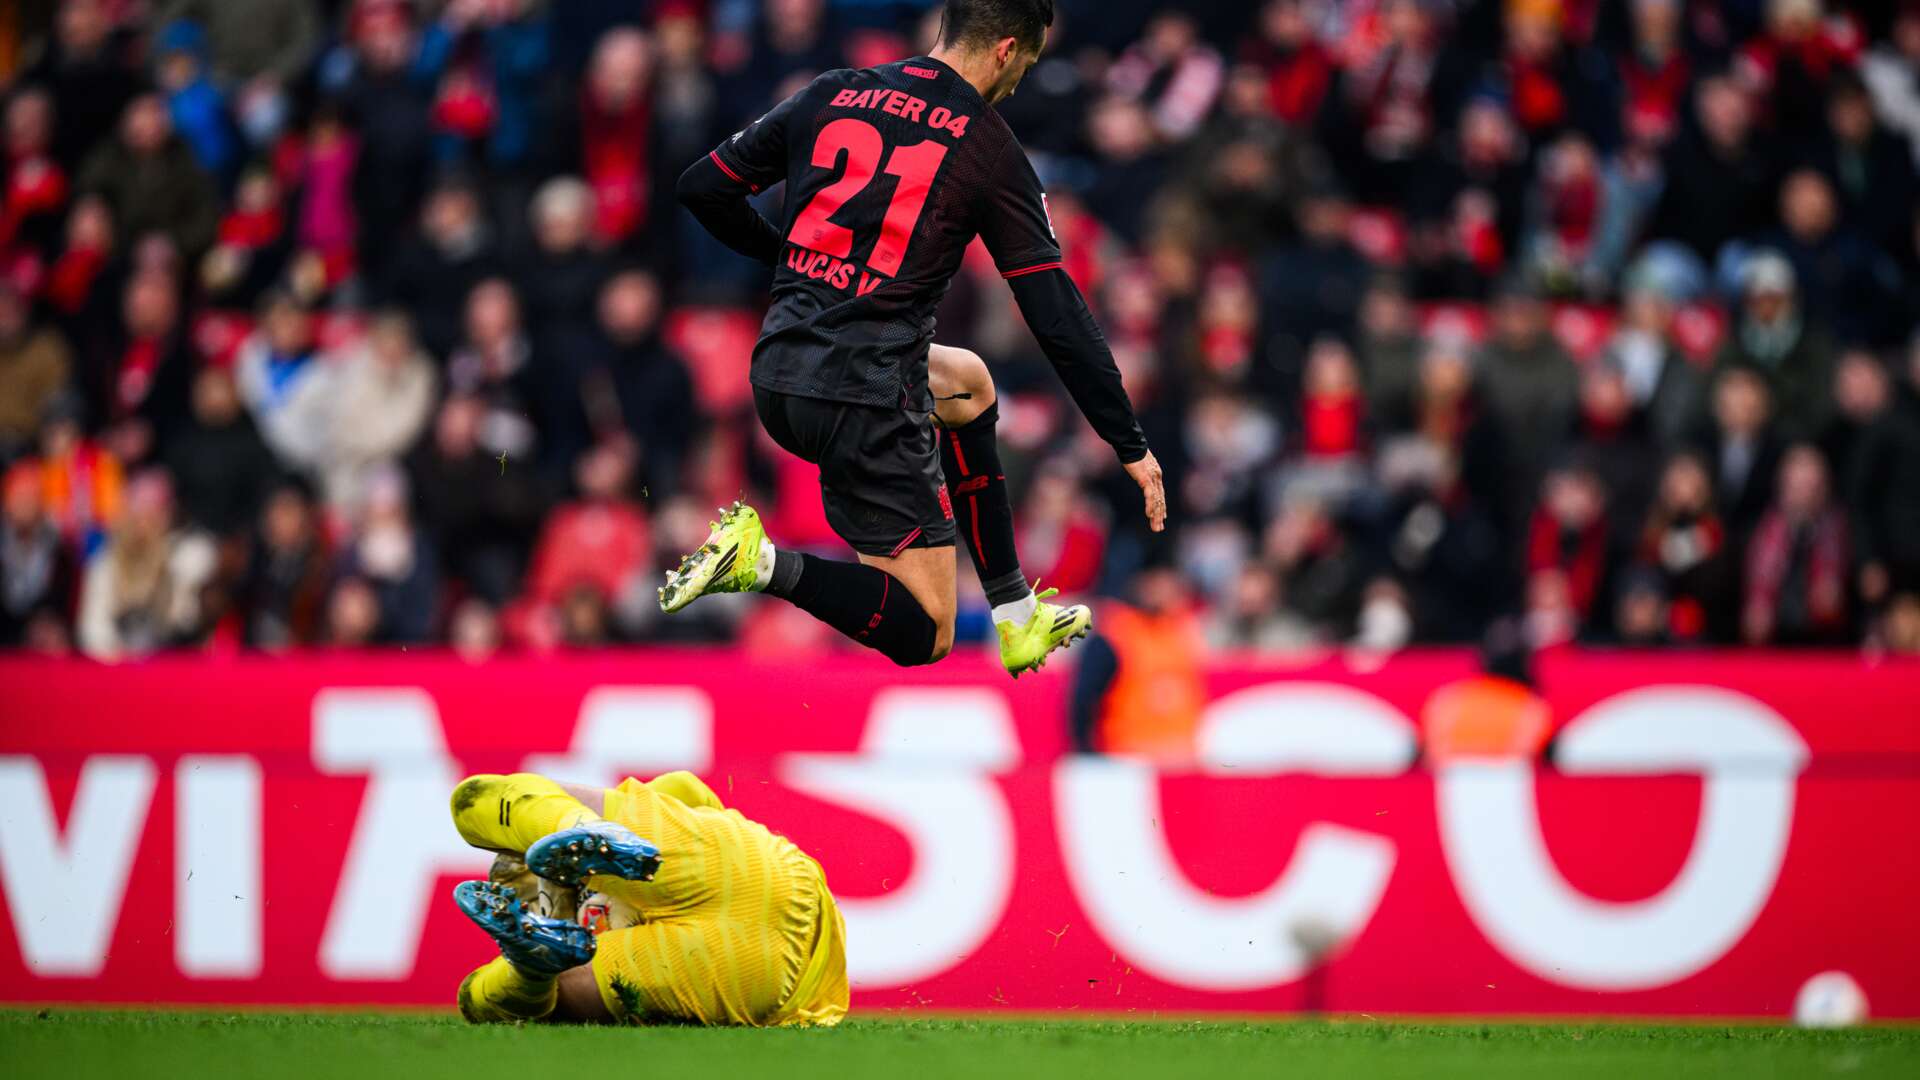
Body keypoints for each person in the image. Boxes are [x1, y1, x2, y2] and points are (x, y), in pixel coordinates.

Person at [668, 0, 1164, 677]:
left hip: (780, 369)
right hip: (864, 396)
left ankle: (1017, 616)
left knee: (967, 383)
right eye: (1026, 64)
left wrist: (788, 260)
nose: (1020, 81)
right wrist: (1128, 442)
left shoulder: (834, 91)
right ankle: (763, 562)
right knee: (925, 632)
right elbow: (1055, 312)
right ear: (1004, 50)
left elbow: (704, 188)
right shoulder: (986, 145)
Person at [446, 770, 846, 1028]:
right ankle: (578, 824)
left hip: (747, 975)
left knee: (493, 1001)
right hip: (760, 873)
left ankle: (528, 971)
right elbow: (687, 787)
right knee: (472, 801)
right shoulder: (666, 817)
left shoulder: (587, 953)